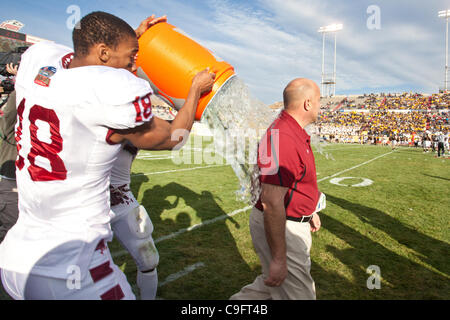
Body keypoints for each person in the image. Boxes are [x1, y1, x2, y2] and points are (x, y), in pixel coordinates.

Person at [0, 11, 215, 300]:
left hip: (17, 253)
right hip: (70, 267)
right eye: (131, 57)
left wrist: (132, 40)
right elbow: (174, 138)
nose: (133, 65)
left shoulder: (40, 59)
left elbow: (83, 56)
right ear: (103, 52)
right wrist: (194, 91)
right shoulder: (111, 94)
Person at [230, 78, 324, 300]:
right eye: (319, 101)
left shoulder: (289, 131)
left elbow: (294, 184)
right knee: (298, 294)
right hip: (283, 226)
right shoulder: (284, 137)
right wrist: (280, 258)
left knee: (270, 287)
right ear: (308, 103)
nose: (321, 106)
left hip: (288, 221)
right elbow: (271, 202)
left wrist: (309, 211)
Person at [109, 142, 159, 300]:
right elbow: (170, 139)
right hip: (88, 200)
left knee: (149, 259)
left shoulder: (134, 122)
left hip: (121, 196)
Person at [0, 90, 18, 243]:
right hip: (11, 181)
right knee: (12, 230)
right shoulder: (11, 128)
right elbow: (11, 111)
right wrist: (19, 83)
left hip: (33, 183)